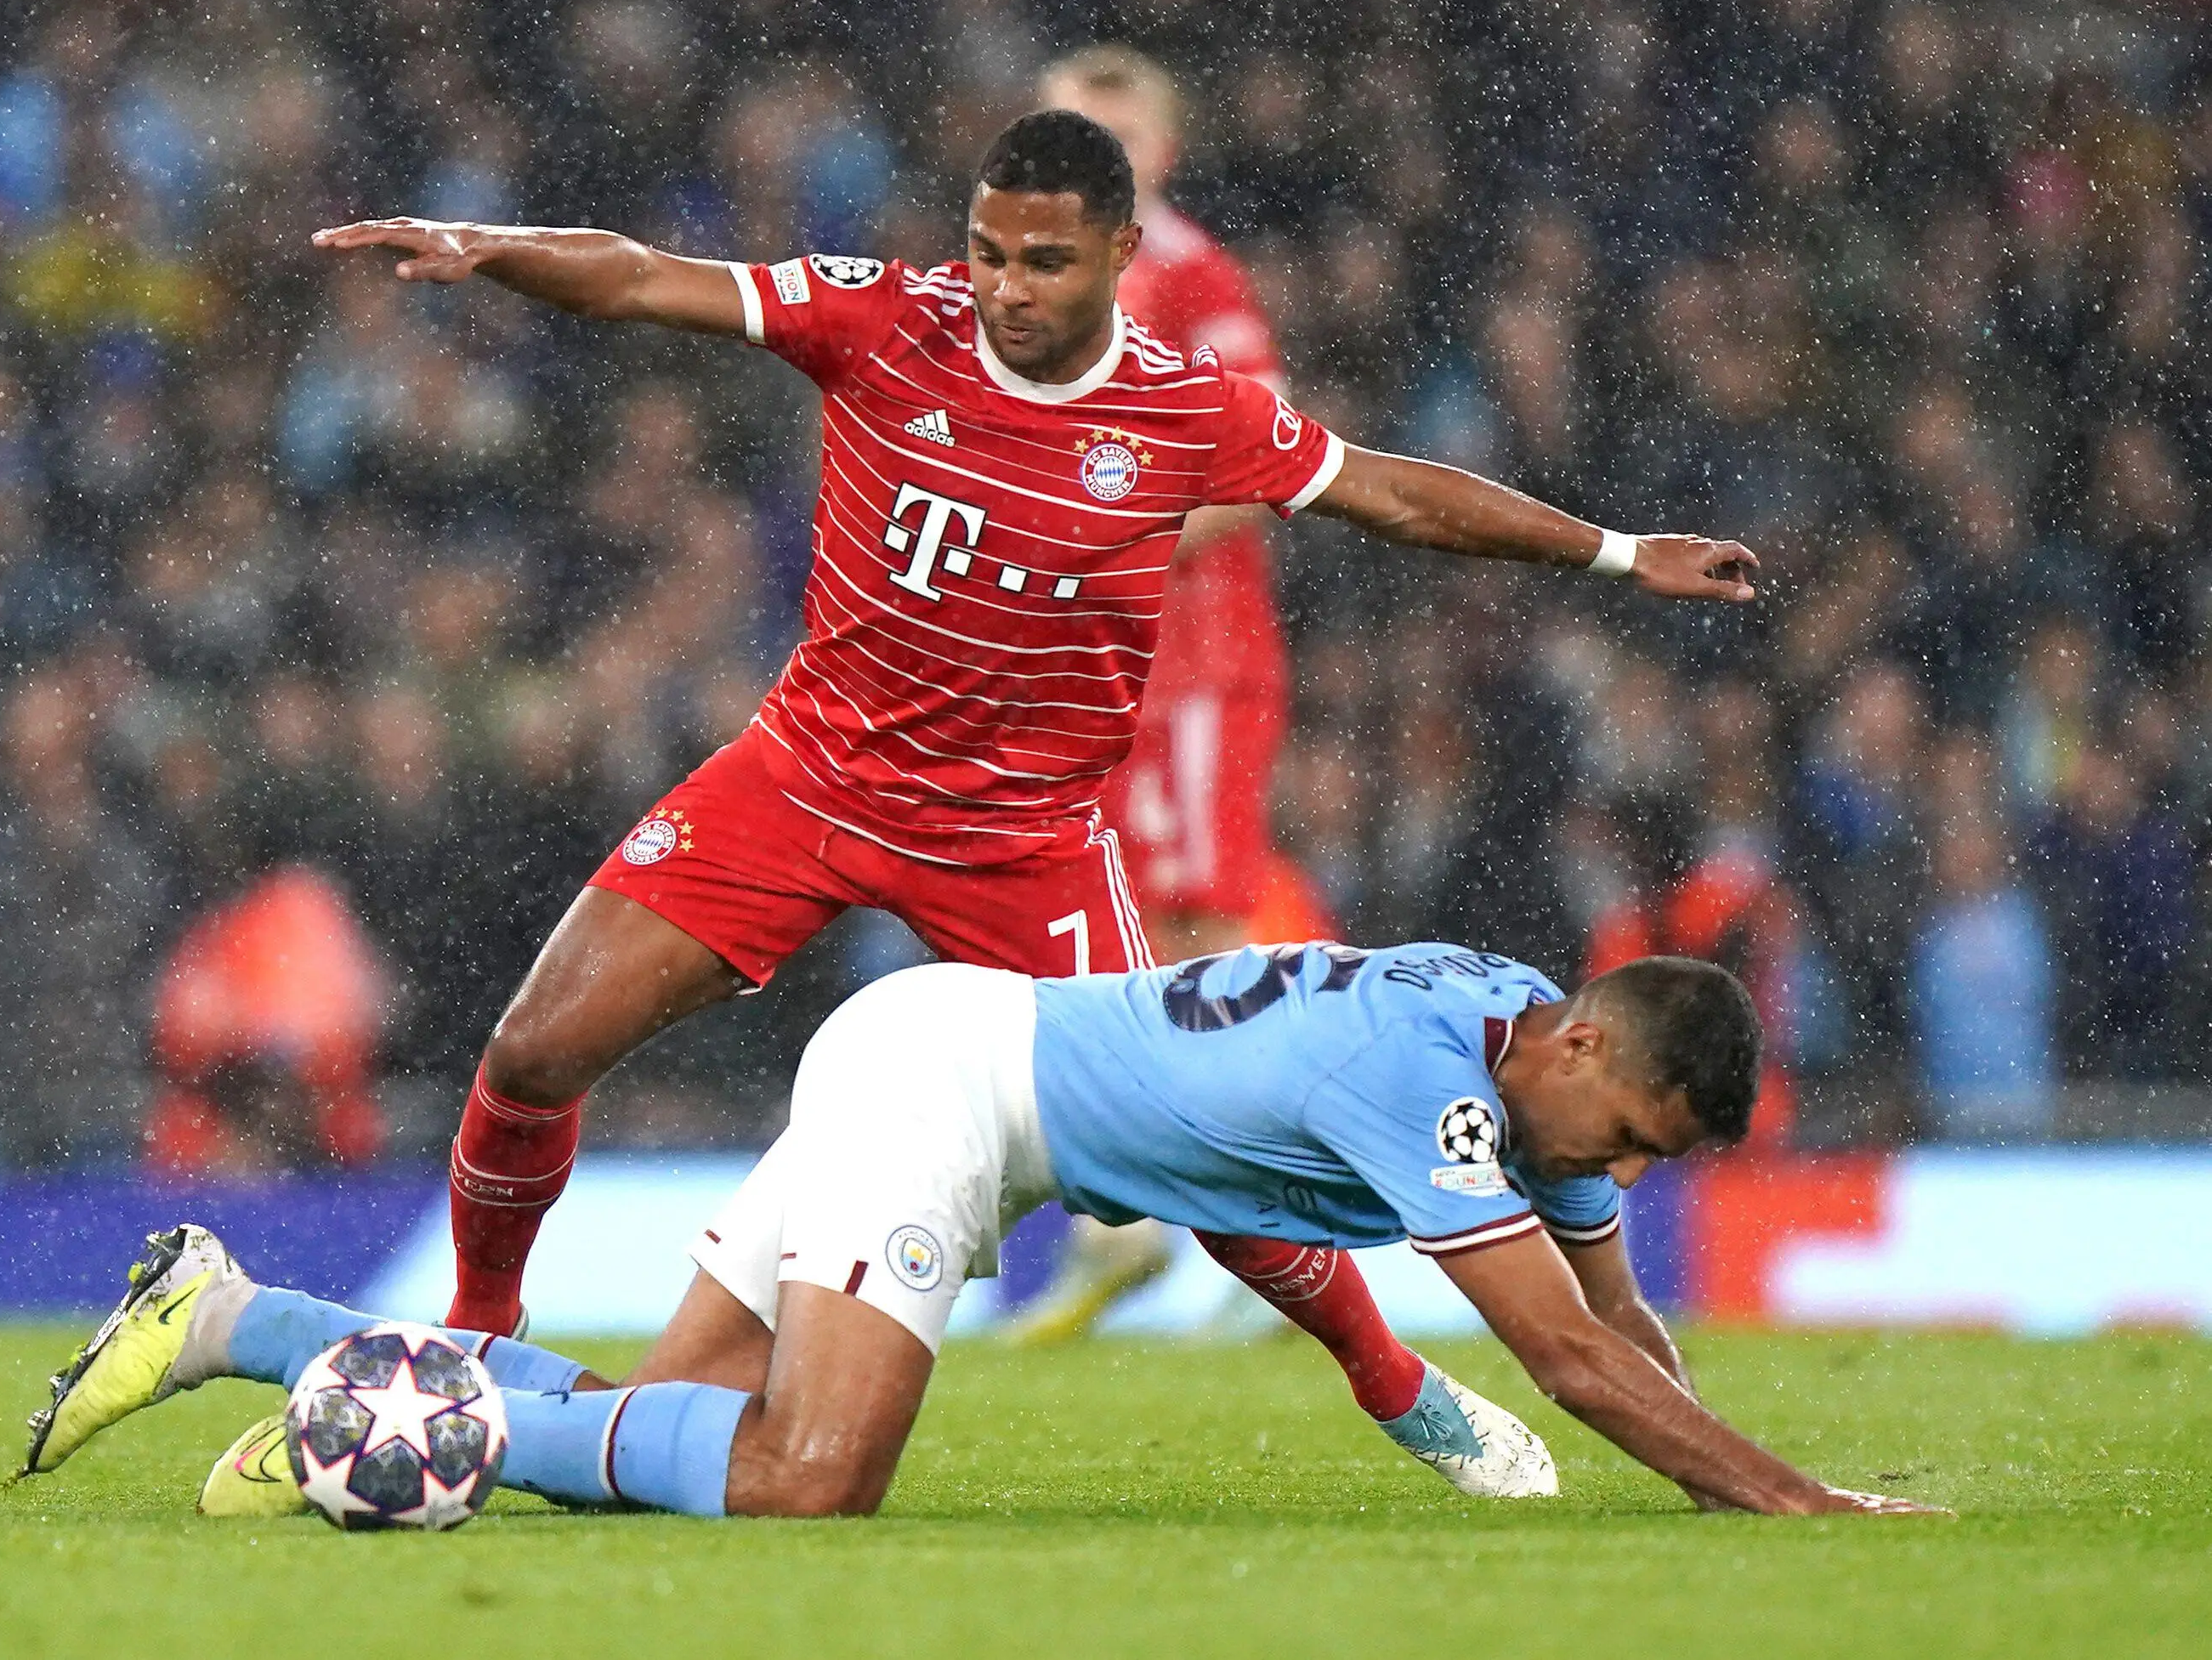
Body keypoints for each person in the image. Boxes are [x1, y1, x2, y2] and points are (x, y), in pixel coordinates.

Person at [297, 110, 1758, 1481]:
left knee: (1190, 1157)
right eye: (988, 250)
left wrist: (1619, 554)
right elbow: (646, 284)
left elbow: (1388, 491)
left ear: (1121, 255)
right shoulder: (882, 315)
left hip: (1021, 838)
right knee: (538, 1047)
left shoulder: (1185, 409)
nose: (1003, 286)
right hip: (807, 773)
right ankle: (472, 1334)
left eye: (1043, 259)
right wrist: (490, 251)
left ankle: (1393, 1383)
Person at [20, 944, 1941, 1519]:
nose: (1614, 1173)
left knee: (665, 1438)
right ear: (1584, 1046)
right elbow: (1576, 1357)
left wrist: (1726, 1487)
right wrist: (1802, 1507)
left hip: (962, 1057)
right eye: (1624, 1134)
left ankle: (241, 1322)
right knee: (803, 1480)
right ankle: (409, 1414)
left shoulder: (1531, 1034)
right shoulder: (1427, 1080)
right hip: (949, 1092)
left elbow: (1614, 1302)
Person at [1011, 46, 1336, 1340]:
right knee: (1100, 925)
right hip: (1077, 657)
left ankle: (1290, 1213)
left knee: (1198, 924)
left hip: (1187, 665)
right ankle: (1125, 1220)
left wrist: (1086, 539)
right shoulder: (1023, 282)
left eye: (1115, 128)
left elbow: (1258, 458)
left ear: (1159, 154)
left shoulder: (1192, 274)